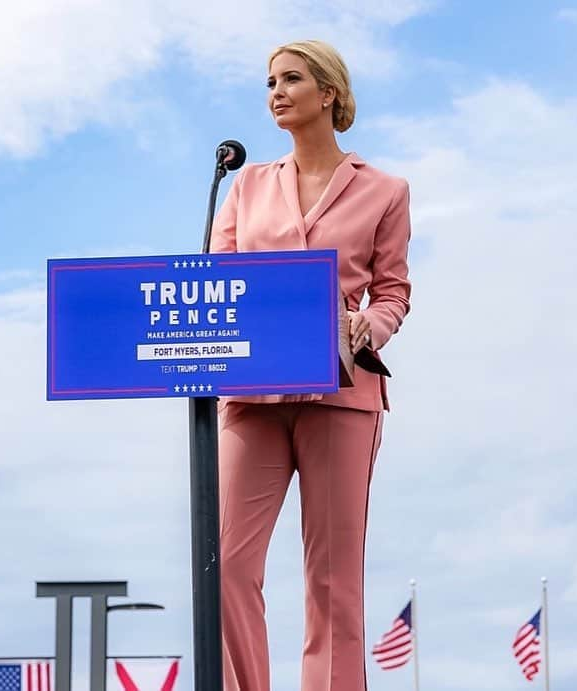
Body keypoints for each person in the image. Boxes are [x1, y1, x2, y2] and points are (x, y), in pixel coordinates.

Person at [210, 39, 413, 691]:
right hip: (251, 395)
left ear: (327, 92)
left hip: (342, 392)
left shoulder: (385, 190)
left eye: (290, 79)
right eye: (269, 81)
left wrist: (368, 326)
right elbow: (219, 280)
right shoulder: (245, 186)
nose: (275, 91)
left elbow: (392, 291)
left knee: (332, 579)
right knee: (227, 564)